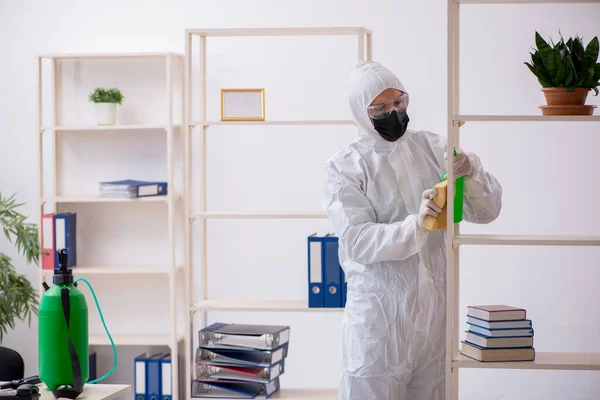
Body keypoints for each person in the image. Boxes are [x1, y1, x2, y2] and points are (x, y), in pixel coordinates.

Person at [323, 60, 503, 400]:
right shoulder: (345, 167)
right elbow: (358, 242)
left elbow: (486, 211)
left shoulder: (433, 147)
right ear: (361, 113)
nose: (394, 113)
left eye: (399, 102)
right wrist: (415, 225)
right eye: (380, 108)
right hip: (379, 330)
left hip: (434, 325)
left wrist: (472, 170)